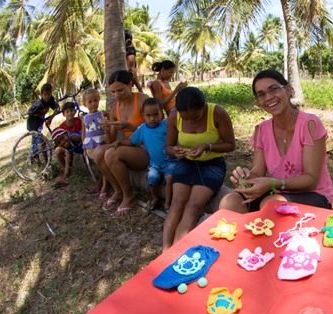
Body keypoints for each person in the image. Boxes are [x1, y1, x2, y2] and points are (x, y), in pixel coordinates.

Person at [219, 69, 333, 213]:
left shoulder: (310, 124)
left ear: (288, 90)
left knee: (272, 205)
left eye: (273, 89)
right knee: (229, 202)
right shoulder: (261, 130)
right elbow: (258, 173)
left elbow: (311, 180)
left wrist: (274, 183)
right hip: (278, 193)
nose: (268, 98)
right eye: (261, 95)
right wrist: (246, 178)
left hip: (315, 195)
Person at [162, 87, 236, 251]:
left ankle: (177, 252)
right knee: (177, 203)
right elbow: (168, 146)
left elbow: (231, 145)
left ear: (204, 106)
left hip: (212, 164)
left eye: (196, 117)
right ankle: (166, 251)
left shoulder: (217, 113)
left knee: (194, 206)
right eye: (186, 118)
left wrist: (207, 146)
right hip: (186, 163)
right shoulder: (174, 116)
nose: (191, 122)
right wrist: (174, 151)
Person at [109, 98, 177, 217]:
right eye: (148, 115)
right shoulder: (142, 129)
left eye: (156, 114)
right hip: (155, 163)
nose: (152, 118)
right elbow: (132, 142)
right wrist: (120, 142)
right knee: (151, 179)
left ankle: (167, 203)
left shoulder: (166, 124)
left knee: (170, 177)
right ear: (143, 116)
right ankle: (155, 198)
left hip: (170, 160)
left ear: (161, 113)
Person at [96, 69, 149, 213]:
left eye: (120, 90)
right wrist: (107, 129)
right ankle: (118, 190)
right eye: (113, 92)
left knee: (111, 154)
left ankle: (128, 196)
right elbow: (111, 141)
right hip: (128, 147)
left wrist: (129, 126)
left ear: (130, 84)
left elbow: (156, 130)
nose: (116, 95)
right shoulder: (115, 109)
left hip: (146, 148)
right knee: (98, 152)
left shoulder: (143, 100)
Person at [81, 88, 109, 198]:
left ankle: (104, 186)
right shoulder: (84, 118)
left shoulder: (103, 113)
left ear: (99, 100)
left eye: (95, 100)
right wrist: (84, 149)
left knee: (103, 164)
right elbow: (84, 134)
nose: (93, 104)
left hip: (101, 144)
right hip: (91, 145)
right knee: (98, 166)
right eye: (90, 102)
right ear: (84, 104)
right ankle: (101, 182)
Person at [50, 101, 84, 187]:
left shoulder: (78, 121)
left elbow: (83, 134)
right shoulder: (61, 127)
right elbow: (59, 141)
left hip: (78, 144)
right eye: (67, 111)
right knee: (59, 151)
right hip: (68, 148)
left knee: (71, 138)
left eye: (71, 110)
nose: (70, 113)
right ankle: (67, 170)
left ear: (75, 111)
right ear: (64, 114)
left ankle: (66, 174)